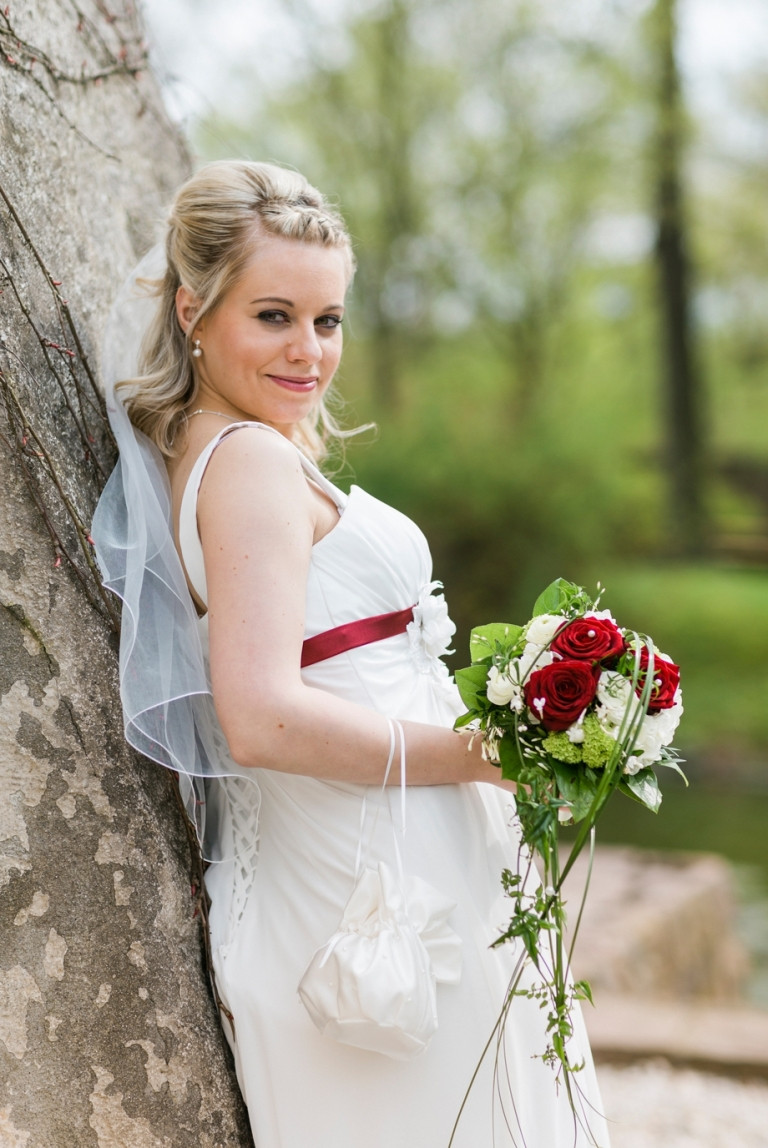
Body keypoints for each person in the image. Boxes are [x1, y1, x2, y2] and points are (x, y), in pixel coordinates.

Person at [93, 160, 609, 1147]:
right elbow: (260, 714)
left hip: (394, 855)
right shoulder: (244, 464)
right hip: (363, 892)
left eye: (328, 320)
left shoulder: (242, 440)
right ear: (194, 310)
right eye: (274, 316)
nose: (310, 351)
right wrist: (479, 752)